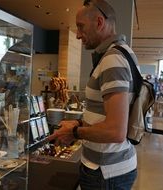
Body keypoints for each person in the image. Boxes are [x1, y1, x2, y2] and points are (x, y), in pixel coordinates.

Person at [48, 0, 137, 189]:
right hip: (107, 170)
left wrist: (74, 132)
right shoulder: (121, 54)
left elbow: (115, 131)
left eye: (81, 27)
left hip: (105, 173)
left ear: (99, 22)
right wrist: (79, 124)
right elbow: (106, 117)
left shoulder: (113, 60)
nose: (78, 35)